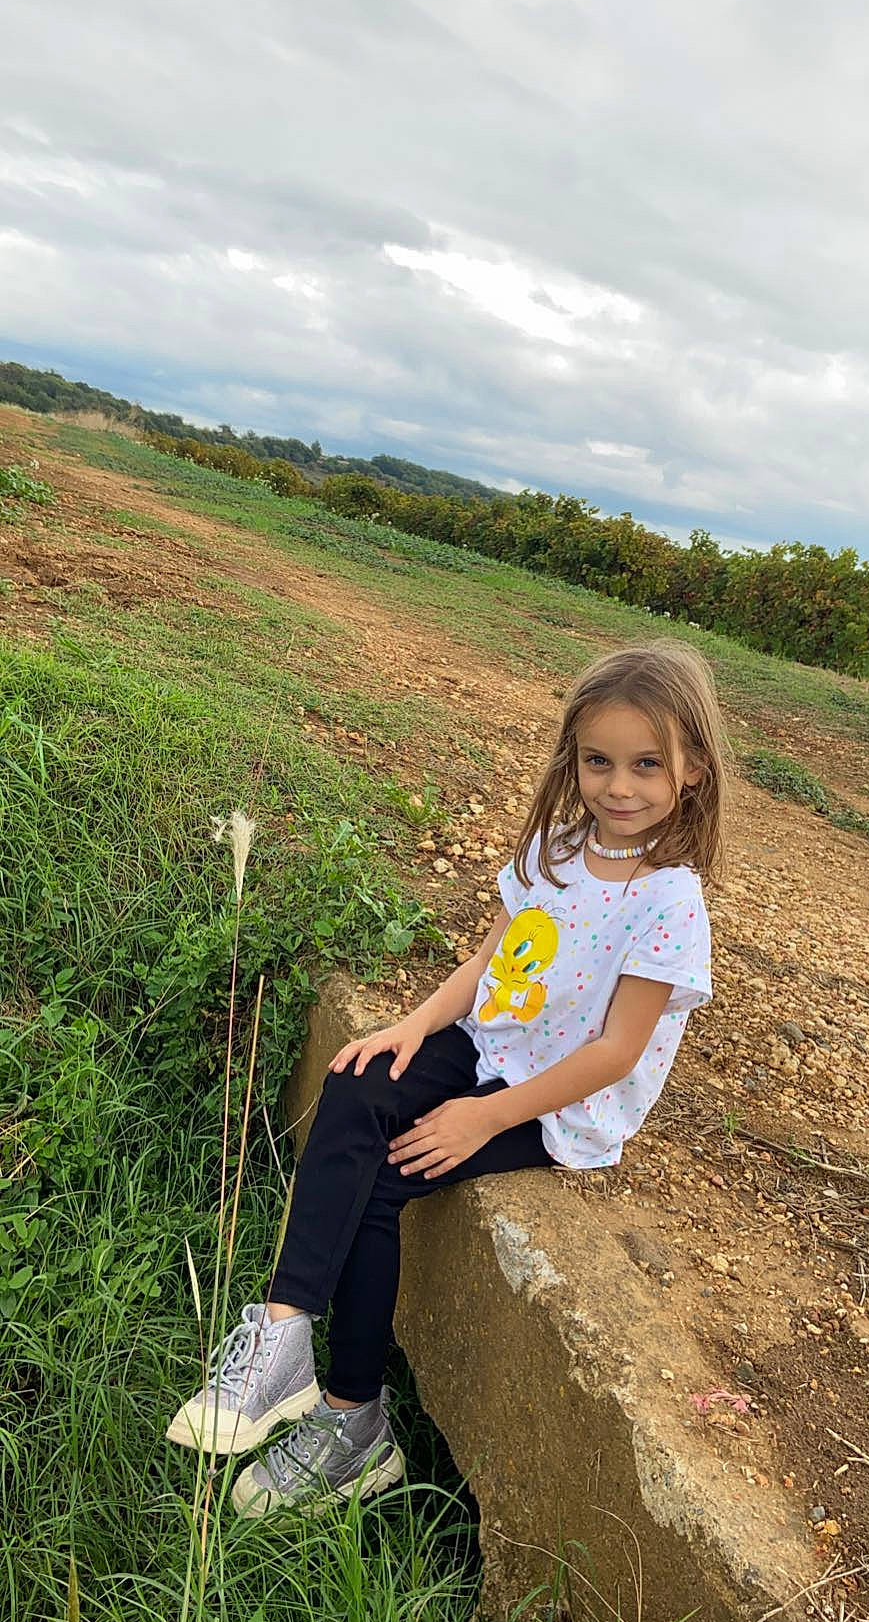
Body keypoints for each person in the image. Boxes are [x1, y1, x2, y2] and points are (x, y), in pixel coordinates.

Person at [166, 638, 731, 1517]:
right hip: (489, 1042)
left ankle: (356, 1425)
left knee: (388, 1179)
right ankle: (283, 1334)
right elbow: (493, 956)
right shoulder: (559, 842)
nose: (619, 787)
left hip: (554, 1105)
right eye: (598, 762)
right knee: (358, 1083)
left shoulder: (670, 901)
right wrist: (415, 1025)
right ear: (573, 761)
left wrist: (479, 1119)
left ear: (693, 768)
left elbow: (617, 1053)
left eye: (647, 764)